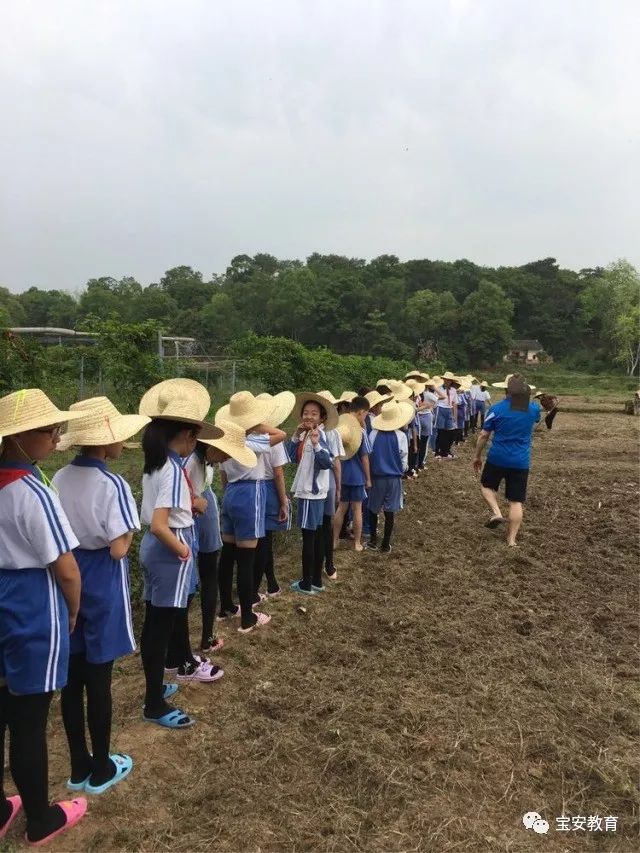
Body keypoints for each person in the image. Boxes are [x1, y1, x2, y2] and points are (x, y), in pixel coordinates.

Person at [0, 389, 87, 845]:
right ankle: (40, 817)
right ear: (18, 437)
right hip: (33, 598)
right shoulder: (33, 490)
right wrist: (72, 610)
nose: (56, 438)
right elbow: (66, 568)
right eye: (49, 431)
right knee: (30, 716)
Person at [52, 397, 149, 795]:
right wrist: (128, 530)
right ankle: (103, 765)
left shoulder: (58, 478)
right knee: (99, 677)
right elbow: (118, 549)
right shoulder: (113, 484)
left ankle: (78, 763)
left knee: (72, 679)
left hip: (68, 574)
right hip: (102, 578)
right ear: (107, 443)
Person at [138, 383, 222, 728]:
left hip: (156, 549)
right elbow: (161, 524)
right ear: (186, 434)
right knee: (161, 625)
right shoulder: (173, 469)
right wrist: (184, 549)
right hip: (170, 546)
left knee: (157, 622)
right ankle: (154, 703)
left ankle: (156, 688)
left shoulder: (156, 463)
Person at [215, 392, 286, 632]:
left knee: (227, 555)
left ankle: (225, 606)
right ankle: (248, 616)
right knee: (247, 559)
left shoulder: (224, 442)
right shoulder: (249, 441)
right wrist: (255, 424)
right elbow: (280, 434)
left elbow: (224, 476)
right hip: (251, 493)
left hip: (231, 493)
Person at [473, 374, 540, 547]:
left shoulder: (496, 409)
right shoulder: (533, 409)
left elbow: (483, 435)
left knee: (487, 486)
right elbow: (537, 420)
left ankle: (496, 512)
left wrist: (477, 456)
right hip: (521, 461)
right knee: (516, 501)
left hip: (498, 457)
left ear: (505, 389)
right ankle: (511, 540)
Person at [287, 393, 336, 593]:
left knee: (309, 538)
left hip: (310, 493)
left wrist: (315, 444)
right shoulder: (306, 435)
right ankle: (316, 580)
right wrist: (295, 436)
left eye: (314, 414)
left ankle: (307, 583)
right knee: (315, 537)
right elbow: (291, 457)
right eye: (306, 413)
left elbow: (327, 463)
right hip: (315, 493)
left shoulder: (318, 436)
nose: (308, 417)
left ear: (322, 418)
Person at [253, 392, 296, 600]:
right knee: (265, 541)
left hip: (250, 489)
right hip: (269, 489)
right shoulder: (273, 440)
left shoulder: (244, 436)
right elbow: (278, 473)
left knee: (258, 540)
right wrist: (283, 501)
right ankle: (264, 585)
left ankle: (268, 583)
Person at [366, 399, 413, 552]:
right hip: (393, 479)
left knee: (373, 509)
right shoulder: (401, 436)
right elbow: (404, 460)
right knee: (389, 510)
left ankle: (373, 540)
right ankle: (385, 544)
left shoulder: (373, 434)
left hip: (376, 477)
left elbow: (369, 454)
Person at [333, 396, 371, 551]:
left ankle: (334, 540)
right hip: (356, 476)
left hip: (340, 474)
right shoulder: (360, 431)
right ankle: (357, 542)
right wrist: (368, 479)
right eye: (366, 414)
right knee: (357, 509)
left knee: (341, 508)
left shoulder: (339, 428)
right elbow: (365, 457)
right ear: (361, 412)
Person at [318, 391, 346, 580]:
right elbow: (336, 462)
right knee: (324, 525)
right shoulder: (331, 432)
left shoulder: (328, 432)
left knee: (320, 525)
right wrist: (338, 486)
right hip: (325, 483)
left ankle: (326, 563)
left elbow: (336, 462)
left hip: (322, 483)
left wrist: (337, 486)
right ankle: (328, 564)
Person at [435, 372, 460, 458]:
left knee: (450, 432)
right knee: (441, 432)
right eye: (446, 379)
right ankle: (437, 451)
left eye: (449, 380)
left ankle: (446, 450)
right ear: (444, 380)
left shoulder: (453, 390)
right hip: (440, 408)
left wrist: (455, 418)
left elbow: (455, 404)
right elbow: (434, 400)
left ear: (451, 381)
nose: (447, 381)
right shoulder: (439, 389)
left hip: (449, 410)